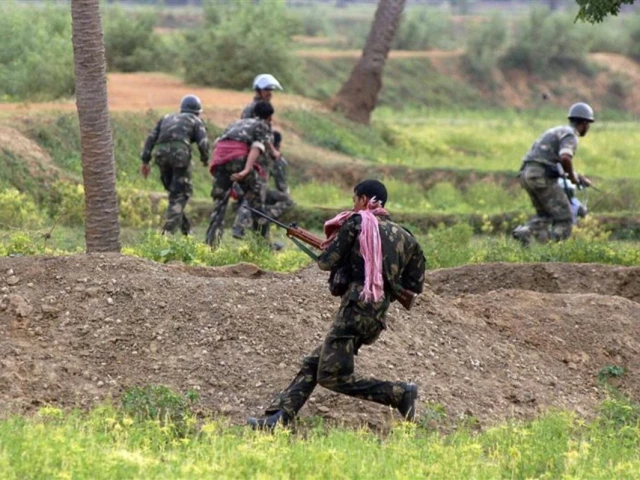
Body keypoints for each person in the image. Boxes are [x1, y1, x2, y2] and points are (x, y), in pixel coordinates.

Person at [248, 179, 426, 429]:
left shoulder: (357, 223)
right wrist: (385, 280)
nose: (353, 206)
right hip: (375, 315)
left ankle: (398, 393)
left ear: (364, 200)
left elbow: (326, 261)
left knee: (331, 377)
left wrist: (335, 254)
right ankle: (279, 418)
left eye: (355, 200)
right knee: (314, 363)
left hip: (354, 309)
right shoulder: (406, 236)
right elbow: (415, 284)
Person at [512, 102, 594, 246]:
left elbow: (550, 160)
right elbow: (565, 158)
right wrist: (573, 178)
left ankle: (526, 231)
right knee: (566, 218)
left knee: (545, 215)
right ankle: (553, 253)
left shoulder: (556, 131)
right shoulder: (570, 135)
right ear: (584, 122)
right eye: (589, 124)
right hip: (542, 177)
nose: (588, 127)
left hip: (527, 174)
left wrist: (576, 176)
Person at [205, 101, 274, 246]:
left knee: (219, 205)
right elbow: (257, 147)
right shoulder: (262, 125)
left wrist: (218, 168)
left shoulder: (236, 123)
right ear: (269, 117)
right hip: (238, 159)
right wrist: (247, 169)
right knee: (256, 202)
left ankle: (210, 245)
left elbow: (217, 143)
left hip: (220, 158)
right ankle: (263, 246)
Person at [140, 94, 210, 235]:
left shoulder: (166, 118)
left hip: (161, 155)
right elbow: (204, 143)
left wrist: (145, 161)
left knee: (175, 195)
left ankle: (187, 231)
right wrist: (205, 159)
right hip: (179, 156)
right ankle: (166, 233)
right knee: (181, 194)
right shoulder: (195, 120)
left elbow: (150, 138)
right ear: (197, 111)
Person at [231, 130, 294, 242]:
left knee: (253, 195)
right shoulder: (273, 157)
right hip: (255, 190)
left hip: (238, 187)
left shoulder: (251, 150)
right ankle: (264, 216)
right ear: (278, 144)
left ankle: (243, 225)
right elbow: (281, 185)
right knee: (287, 200)